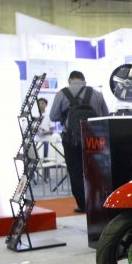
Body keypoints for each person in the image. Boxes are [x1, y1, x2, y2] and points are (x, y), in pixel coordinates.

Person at [49, 71, 108, 212]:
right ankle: (98, 202)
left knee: (75, 171)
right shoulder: (96, 94)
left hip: (71, 139)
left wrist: (67, 117)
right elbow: (105, 115)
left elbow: (53, 116)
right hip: (94, 137)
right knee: (96, 170)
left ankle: (83, 204)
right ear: (84, 80)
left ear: (70, 80)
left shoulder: (62, 94)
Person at [35, 97, 53, 181]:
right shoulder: (35, 116)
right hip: (37, 141)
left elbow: (52, 130)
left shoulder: (49, 116)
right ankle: (35, 177)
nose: (40, 105)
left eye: (42, 103)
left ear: (46, 105)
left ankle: (46, 176)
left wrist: (44, 132)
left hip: (45, 140)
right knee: (35, 159)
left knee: (46, 159)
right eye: (39, 103)